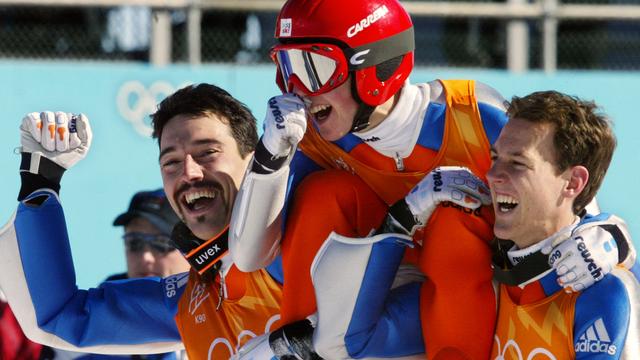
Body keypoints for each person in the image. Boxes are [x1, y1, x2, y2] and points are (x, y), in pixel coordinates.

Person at [229, 0, 634, 359]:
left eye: (312, 68)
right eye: (286, 68)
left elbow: (571, 210)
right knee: (324, 195)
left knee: (453, 222)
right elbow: (249, 257)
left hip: (468, 296)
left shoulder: (474, 115)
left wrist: (611, 237)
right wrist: (272, 153)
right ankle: (300, 350)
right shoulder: (310, 137)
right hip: (368, 299)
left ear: (373, 66)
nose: (298, 91)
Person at [311, 91, 640, 359]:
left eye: (518, 163)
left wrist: (613, 236)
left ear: (572, 183)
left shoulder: (600, 289)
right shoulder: (492, 280)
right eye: (495, 157)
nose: (494, 175)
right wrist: (407, 214)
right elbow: (349, 341)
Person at [0, 84, 284, 359]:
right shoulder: (193, 299)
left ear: (251, 162)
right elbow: (60, 317)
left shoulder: (295, 243)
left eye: (208, 152)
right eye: (171, 162)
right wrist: (40, 182)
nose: (189, 172)